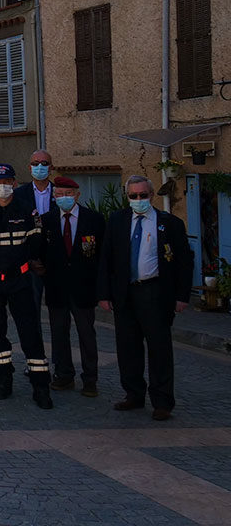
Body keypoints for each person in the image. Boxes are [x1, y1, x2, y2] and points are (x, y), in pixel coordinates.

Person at [98, 175, 193, 421]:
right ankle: (133, 394)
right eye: (133, 196)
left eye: (142, 195)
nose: (138, 200)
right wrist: (104, 294)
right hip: (125, 292)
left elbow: (184, 261)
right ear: (127, 196)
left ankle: (162, 401)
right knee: (128, 347)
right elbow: (106, 259)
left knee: (159, 348)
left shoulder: (169, 223)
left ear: (151, 196)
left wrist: (182, 296)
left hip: (155, 292)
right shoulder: (117, 220)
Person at [0, 163, 52, 409]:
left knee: (30, 332)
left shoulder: (27, 210)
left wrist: (18, 264)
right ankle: (3, 380)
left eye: (7, 182)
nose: (2, 186)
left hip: (20, 280)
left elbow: (36, 244)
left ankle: (40, 385)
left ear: (14, 183)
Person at [43, 176, 104, 397]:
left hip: (84, 288)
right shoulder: (46, 220)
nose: (63, 198)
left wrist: (102, 288)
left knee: (86, 334)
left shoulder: (94, 219)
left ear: (77, 195)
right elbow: (40, 253)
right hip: (57, 287)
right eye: (58, 195)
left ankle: (90, 379)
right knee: (59, 334)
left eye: (67, 194)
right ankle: (63, 375)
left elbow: (102, 255)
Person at [14, 149, 55, 311]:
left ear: (51, 167)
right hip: (30, 261)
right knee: (31, 309)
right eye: (35, 163)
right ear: (30, 168)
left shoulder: (61, 192)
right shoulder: (18, 195)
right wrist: (29, 259)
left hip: (55, 260)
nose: (39, 167)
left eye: (44, 163)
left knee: (58, 311)